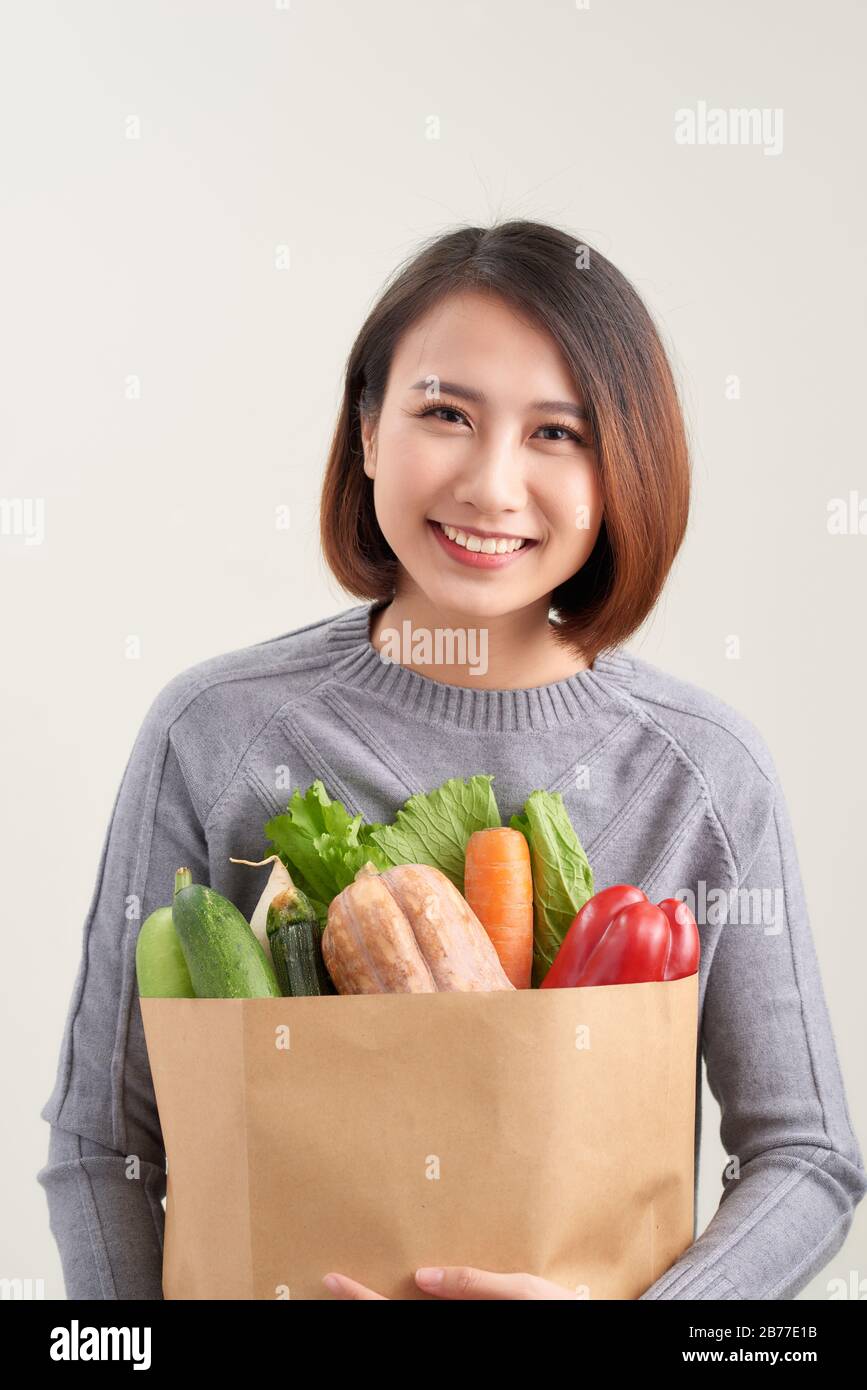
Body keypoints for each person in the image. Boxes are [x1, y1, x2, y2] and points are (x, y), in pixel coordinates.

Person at [38, 220, 866, 1300]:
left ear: (622, 470)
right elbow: (104, 1145)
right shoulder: (216, 730)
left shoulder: (702, 772)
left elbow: (807, 1161)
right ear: (370, 431)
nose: (490, 483)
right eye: (445, 414)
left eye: (557, 434)